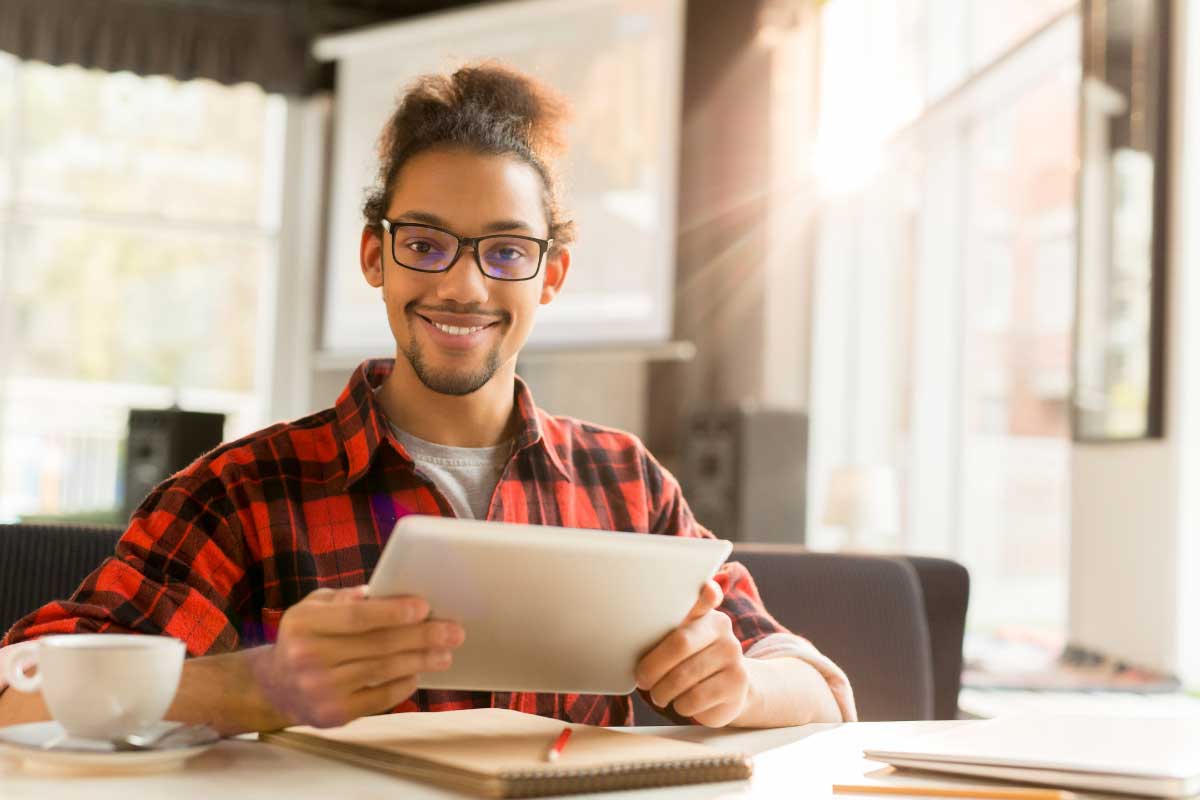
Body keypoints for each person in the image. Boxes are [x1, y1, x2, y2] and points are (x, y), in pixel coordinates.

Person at [0, 64, 855, 734]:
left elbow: (818, 690)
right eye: (426, 244)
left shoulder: (623, 483)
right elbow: (18, 693)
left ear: (550, 274)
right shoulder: (244, 493)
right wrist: (252, 685)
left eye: (507, 252)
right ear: (376, 257)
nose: (464, 285)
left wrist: (733, 688)